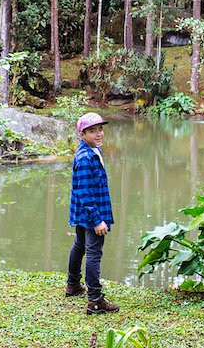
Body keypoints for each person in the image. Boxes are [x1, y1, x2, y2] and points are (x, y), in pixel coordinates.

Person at [65, 112, 119, 314]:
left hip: (82, 212)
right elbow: (85, 194)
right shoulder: (86, 157)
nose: (99, 134)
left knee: (79, 245)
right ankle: (95, 300)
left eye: (100, 129)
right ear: (82, 134)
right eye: (92, 131)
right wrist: (97, 221)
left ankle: (73, 284)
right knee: (94, 252)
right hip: (91, 213)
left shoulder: (93, 151)